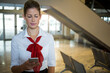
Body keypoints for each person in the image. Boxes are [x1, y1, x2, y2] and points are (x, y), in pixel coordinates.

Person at [10, 0, 56, 73]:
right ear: (24, 17)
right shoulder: (16, 39)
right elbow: (13, 68)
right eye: (29, 16)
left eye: (36, 16)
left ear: (40, 17)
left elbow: (51, 64)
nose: (33, 20)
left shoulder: (49, 37)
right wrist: (23, 66)